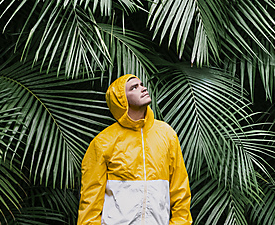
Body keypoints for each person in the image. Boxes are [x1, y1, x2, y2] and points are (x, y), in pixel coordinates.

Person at [78, 74, 192, 225]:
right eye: (134, 87)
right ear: (121, 100)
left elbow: (180, 190)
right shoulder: (103, 142)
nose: (143, 88)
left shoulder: (167, 134)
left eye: (141, 84)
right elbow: (90, 200)